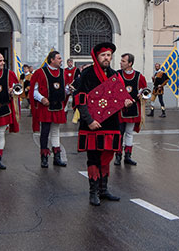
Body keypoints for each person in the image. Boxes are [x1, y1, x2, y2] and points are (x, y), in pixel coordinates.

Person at [74, 42, 134, 206]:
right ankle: (93, 193)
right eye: (103, 55)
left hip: (111, 124)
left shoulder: (115, 74)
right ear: (96, 57)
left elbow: (119, 98)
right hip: (91, 124)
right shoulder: (86, 74)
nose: (107, 58)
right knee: (93, 158)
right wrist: (89, 120)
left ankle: (103, 189)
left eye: (109, 55)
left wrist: (127, 102)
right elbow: (80, 99)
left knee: (107, 157)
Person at [29, 50, 69, 168]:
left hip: (58, 107)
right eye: (59, 58)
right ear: (52, 60)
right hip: (46, 107)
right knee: (45, 132)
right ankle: (44, 157)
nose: (61, 60)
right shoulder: (40, 72)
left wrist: (69, 90)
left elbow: (64, 89)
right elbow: (34, 90)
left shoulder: (63, 73)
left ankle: (57, 157)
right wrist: (41, 99)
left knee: (56, 131)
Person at [115, 53, 148, 166]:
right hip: (120, 109)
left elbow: (146, 91)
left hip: (134, 109)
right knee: (119, 133)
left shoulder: (139, 76)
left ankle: (128, 156)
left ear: (130, 63)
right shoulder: (117, 74)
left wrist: (142, 95)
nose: (121, 63)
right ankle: (118, 156)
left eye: (123, 61)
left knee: (129, 133)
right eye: (121, 60)